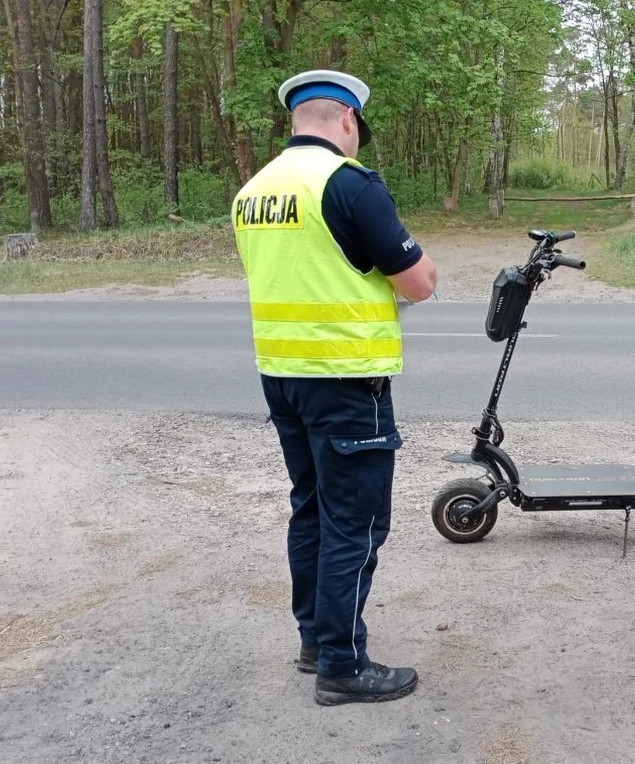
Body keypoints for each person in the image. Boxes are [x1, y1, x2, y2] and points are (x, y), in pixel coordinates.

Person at [231, 69, 438, 706]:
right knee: (355, 523)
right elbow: (419, 282)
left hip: (283, 378)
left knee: (312, 509)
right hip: (348, 380)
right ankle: (343, 665)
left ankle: (315, 642)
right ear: (347, 121)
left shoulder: (252, 192)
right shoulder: (348, 184)